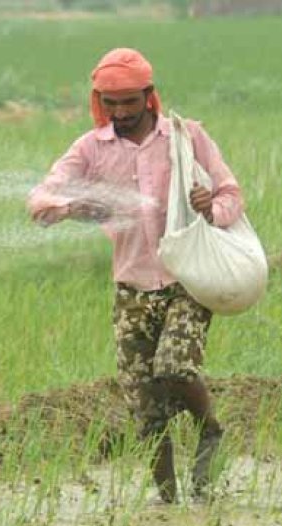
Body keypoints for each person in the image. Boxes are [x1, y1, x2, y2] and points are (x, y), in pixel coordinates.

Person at [27, 48, 244, 503]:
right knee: (145, 408)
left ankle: (211, 432)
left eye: (129, 102)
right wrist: (68, 208)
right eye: (111, 103)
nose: (121, 112)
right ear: (100, 103)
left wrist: (213, 208)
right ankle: (170, 506)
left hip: (188, 280)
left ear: (149, 97)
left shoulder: (187, 138)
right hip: (132, 289)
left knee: (175, 368)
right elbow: (40, 199)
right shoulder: (90, 149)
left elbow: (230, 194)